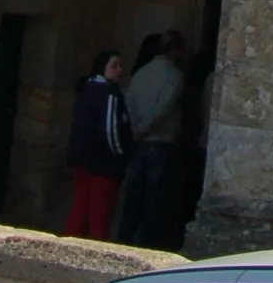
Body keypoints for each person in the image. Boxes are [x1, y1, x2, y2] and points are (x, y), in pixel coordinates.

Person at [114, 30, 187, 248]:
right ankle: (146, 244)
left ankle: (125, 238)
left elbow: (130, 102)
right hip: (160, 142)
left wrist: (136, 128)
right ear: (174, 50)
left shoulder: (141, 73)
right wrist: (144, 129)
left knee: (134, 195)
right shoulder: (173, 75)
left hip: (140, 142)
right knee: (154, 199)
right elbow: (163, 108)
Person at [63, 48, 130, 237]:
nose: (119, 70)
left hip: (82, 158)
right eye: (114, 65)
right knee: (100, 215)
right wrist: (120, 155)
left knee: (81, 208)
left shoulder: (86, 91)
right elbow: (111, 130)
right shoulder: (108, 94)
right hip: (103, 163)